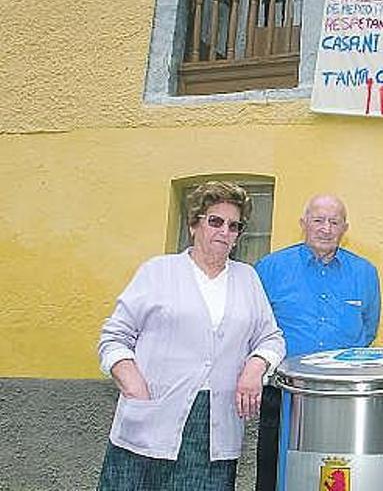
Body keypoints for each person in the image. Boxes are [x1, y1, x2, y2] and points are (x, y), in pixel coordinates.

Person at [96, 181, 286, 491]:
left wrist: (256, 367)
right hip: (152, 418)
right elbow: (114, 336)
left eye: (234, 226)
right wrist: (134, 385)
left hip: (214, 430)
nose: (225, 231)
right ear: (194, 224)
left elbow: (271, 338)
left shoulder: (247, 278)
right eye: (215, 221)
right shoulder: (157, 271)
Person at [253, 194, 381, 491]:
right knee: (276, 475)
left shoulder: (365, 273)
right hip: (284, 394)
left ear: (344, 228)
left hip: (344, 397)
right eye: (318, 220)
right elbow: (254, 327)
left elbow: (369, 329)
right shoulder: (269, 268)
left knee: (337, 475)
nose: (326, 228)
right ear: (303, 224)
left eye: (334, 222)